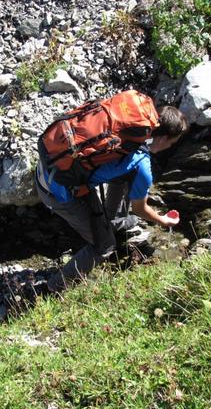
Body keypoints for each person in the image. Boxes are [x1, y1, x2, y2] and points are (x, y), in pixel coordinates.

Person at [35, 101, 189, 292]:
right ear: (164, 138)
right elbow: (140, 209)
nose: (170, 146)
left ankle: (114, 221)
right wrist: (162, 220)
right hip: (59, 194)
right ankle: (53, 288)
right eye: (172, 143)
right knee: (104, 247)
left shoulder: (134, 113)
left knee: (124, 177)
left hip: (49, 165)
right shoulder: (141, 165)